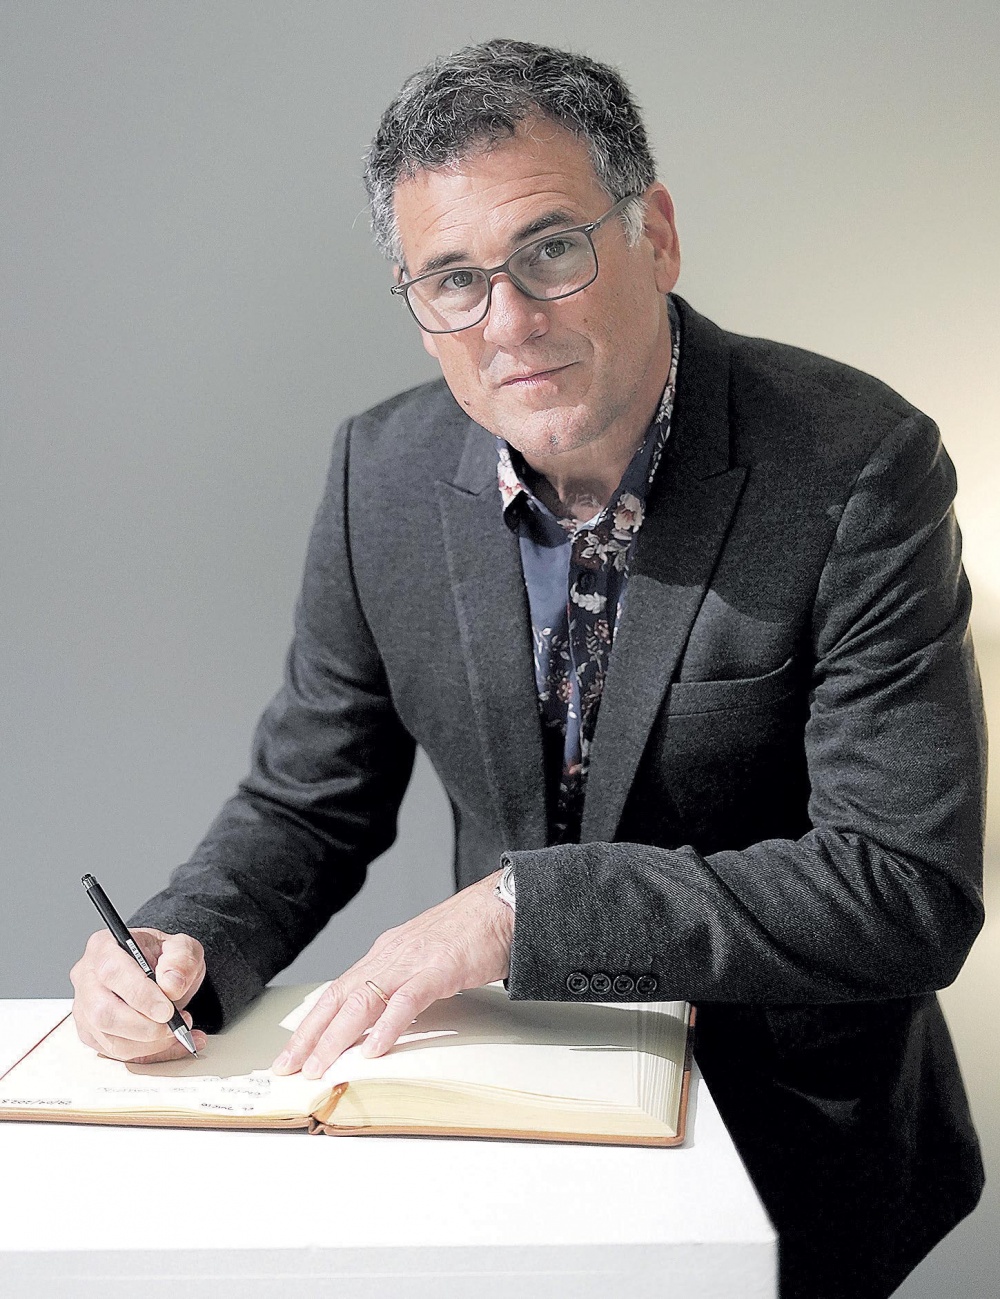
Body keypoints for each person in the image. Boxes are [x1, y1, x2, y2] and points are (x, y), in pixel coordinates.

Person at [69, 38, 985, 1299]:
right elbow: (307, 802)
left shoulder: (856, 464)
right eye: (453, 279)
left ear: (657, 235)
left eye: (550, 250)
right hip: (500, 1127)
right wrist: (184, 945)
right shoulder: (380, 472)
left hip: (788, 1143)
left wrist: (518, 911)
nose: (508, 323)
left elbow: (902, 887)